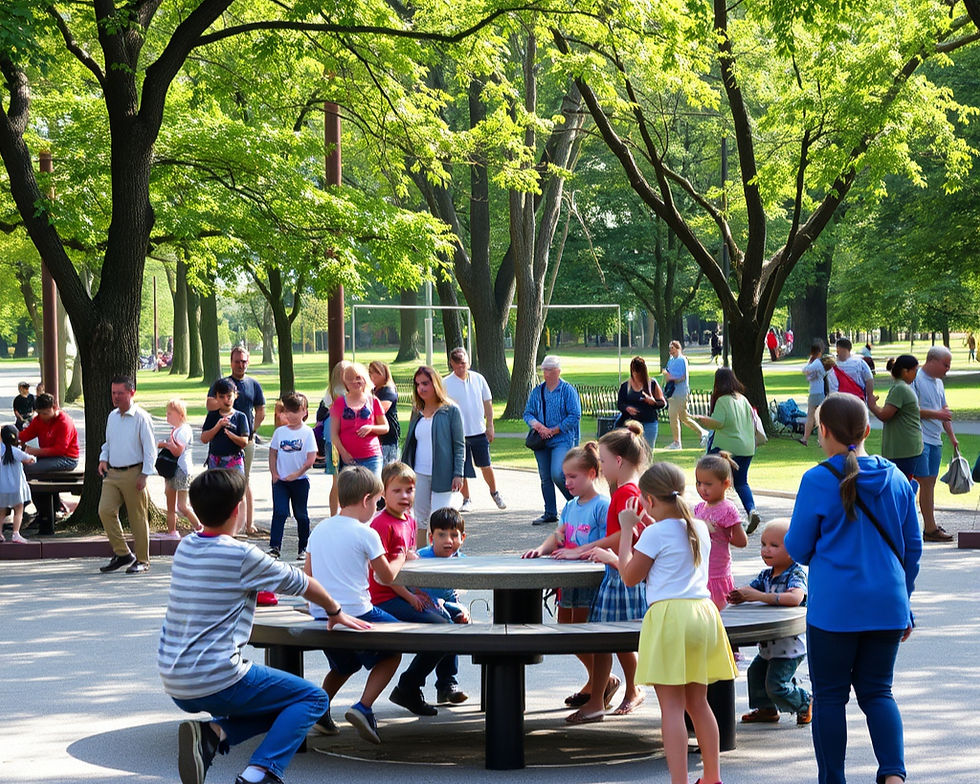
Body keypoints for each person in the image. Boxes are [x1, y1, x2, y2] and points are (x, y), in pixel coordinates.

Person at [158, 469, 367, 784]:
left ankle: (214, 736)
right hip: (217, 678)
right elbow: (305, 583)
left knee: (285, 704)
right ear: (238, 510)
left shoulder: (186, 547)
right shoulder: (243, 555)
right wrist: (334, 610)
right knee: (312, 700)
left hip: (174, 679)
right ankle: (261, 773)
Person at [785, 393, 921, 784]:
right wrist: (904, 599)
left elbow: (797, 547)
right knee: (879, 692)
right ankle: (893, 775)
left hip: (835, 608)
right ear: (866, 430)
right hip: (887, 604)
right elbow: (913, 548)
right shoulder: (896, 478)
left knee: (830, 696)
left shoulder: (817, 479)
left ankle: (833, 779)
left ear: (822, 431)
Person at [595, 461, 736, 784]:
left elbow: (630, 577)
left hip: (671, 617)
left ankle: (680, 781)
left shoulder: (654, 533)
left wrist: (628, 530)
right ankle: (712, 777)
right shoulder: (697, 525)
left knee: (672, 707)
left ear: (648, 499)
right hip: (702, 613)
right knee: (698, 703)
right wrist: (646, 522)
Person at [304, 466, 409, 742]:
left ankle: (319, 712)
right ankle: (363, 707)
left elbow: (307, 577)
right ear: (365, 500)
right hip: (358, 612)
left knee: (344, 665)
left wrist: (315, 607)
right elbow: (386, 577)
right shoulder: (366, 533)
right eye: (376, 502)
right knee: (397, 645)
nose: (376, 509)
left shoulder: (320, 529)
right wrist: (399, 556)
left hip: (322, 614)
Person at [570, 423, 649, 722]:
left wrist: (586, 548)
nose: (600, 467)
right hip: (623, 572)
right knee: (609, 640)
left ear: (618, 460)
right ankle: (605, 697)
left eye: (602, 461)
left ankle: (600, 700)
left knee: (603, 639)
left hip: (620, 576)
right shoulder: (631, 489)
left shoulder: (625, 493)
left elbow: (622, 535)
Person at [367, 463, 464, 707]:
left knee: (451, 620)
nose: (404, 496)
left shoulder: (409, 521)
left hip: (406, 593)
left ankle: (438, 684)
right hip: (384, 598)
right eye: (397, 491)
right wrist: (411, 598)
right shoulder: (381, 525)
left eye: (409, 490)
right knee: (443, 631)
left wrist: (420, 592)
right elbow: (384, 575)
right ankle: (408, 686)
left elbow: (408, 561)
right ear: (383, 493)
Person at [522, 442, 609, 711]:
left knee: (579, 634)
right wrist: (542, 549)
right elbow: (559, 535)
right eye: (565, 476)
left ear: (592, 473)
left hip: (589, 580)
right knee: (566, 632)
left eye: (573, 476)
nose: (566, 481)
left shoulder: (601, 505)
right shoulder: (570, 506)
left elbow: (608, 541)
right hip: (567, 580)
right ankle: (602, 680)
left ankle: (600, 683)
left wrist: (582, 553)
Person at [728, 519, 811, 726]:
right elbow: (751, 591)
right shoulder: (766, 575)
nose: (766, 550)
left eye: (774, 545)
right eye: (763, 544)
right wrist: (740, 595)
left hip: (789, 647)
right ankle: (767, 709)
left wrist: (758, 596)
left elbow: (795, 598)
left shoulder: (795, 573)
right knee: (755, 673)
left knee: (776, 685)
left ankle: (805, 701)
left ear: (793, 550)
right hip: (769, 645)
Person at [97, 376, 156, 575]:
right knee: (104, 510)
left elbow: (150, 449)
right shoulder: (112, 416)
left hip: (134, 472)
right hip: (112, 473)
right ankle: (123, 553)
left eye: (120, 393)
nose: (115, 397)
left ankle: (142, 560)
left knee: (137, 517)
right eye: (113, 393)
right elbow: (108, 443)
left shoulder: (141, 417)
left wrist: (145, 473)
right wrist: (103, 458)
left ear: (132, 392)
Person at [693, 367, 761, 533]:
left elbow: (719, 422)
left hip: (725, 448)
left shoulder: (723, 400)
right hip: (746, 447)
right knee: (741, 482)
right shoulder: (742, 399)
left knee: (711, 480)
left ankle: (716, 515)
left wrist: (704, 420)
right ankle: (752, 510)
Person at [207, 347, 266, 537]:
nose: (241, 365)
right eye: (237, 361)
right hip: (220, 441)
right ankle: (221, 524)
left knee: (244, 482)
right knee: (218, 484)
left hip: (245, 441)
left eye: (244, 361)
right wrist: (227, 400)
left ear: (248, 362)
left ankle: (249, 524)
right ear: (230, 362)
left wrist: (250, 432)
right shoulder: (222, 384)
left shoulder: (253, 385)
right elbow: (209, 404)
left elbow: (261, 411)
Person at [401, 366, 464, 533]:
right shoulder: (417, 411)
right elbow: (410, 444)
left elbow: (459, 445)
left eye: (425, 383)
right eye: (417, 384)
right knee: (419, 519)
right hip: (419, 474)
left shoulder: (451, 410)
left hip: (444, 475)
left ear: (435, 383)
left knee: (440, 519)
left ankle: (442, 556)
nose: (421, 388)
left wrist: (458, 473)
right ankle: (421, 556)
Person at [443, 347, 506, 511]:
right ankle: (467, 499)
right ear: (451, 364)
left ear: (468, 362)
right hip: (458, 434)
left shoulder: (479, 379)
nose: (461, 368)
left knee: (486, 464)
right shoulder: (446, 383)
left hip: (478, 430)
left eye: (463, 364)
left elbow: (487, 402)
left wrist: (490, 425)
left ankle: (495, 492)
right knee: (462, 467)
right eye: (457, 365)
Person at [523, 355, 582, 524]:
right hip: (541, 439)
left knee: (558, 473)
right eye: (544, 370)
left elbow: (575, 415)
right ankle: (550, 512)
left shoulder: (567, 390)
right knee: (545, 477)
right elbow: (528, 413)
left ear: (558, 371)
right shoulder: (538, 391)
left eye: (549, 370)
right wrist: (538, 426)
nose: (546, 374)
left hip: (562, 439)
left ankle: (576, 505)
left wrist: (554, 430)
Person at [911, 345, 957, 542]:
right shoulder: (916, 380)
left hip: (935, 440)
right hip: (921, 439)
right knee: (922, 483)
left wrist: (952, 437)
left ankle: (930, 526)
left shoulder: (938, 383)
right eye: (945, 365)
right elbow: (911, 409)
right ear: (932, 361)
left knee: (930, 484)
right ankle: (927, 528)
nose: (948, 369)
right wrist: (938, 414)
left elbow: (944, 411)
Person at [693, 451, 748, 610]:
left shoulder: (727, 509)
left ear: (725, 484)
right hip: (700, 572)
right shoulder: (699, 508)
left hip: (718, 574)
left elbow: (741, 541)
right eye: (698, 483)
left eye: (708, 484)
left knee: (718, 618)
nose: (702, 488)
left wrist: (718, 531)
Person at [18, 392, 79, 528]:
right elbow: (24, 435)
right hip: (48, 457)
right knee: (25, 466)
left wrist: (33, 452)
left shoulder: (64, 422)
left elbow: (60, 449)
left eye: (46, 413)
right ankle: (46, 510)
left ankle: (43, 512)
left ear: (55, 407)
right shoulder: (38, 420)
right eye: (40, 413)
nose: (43, 417)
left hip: (67, 458)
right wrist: (9, 439)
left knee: (29, 469)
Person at [268, 393, 317, 561]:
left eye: (296, 411)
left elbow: (310, 459)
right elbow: (273, 453)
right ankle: (274, 546)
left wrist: (296, 474)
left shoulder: (307, 432)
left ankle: (304, 547)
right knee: (280, 512)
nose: (292, 415)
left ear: (304, 412)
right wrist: (274, 473)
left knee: (301, 514)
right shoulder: (280, 432)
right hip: (280, 482)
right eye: (288, 411)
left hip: (299, 482)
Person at [867, 355, 922, 481]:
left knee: (898, 486)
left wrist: (872, 405)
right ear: (905, 371)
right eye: (915, 370)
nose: (916, 374)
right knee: (902, 485)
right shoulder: (901, 388)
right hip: (905, 449)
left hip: (903, 450)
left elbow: (884, 415)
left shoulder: (900, 389)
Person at [330, 362, 388, 476]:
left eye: (358, 378)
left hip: (372, 456)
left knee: (373, 490)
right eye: (350, 379)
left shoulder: (373, 401)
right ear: (345, 382)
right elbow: (334, 434)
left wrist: (371, 428)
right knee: (352, 492)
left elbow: (385, 427)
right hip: (349, 458)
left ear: (365, 379)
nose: (354, 382)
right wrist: (343, 453)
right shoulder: (339, 403)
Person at [157, 399, 201, 539]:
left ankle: (197, 526)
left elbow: (178, 451)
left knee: (180, 505)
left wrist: (165, 445)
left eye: (170, 414)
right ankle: (173, 531)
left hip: (180, 470)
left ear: (180, 415)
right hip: (174, 469)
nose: (167, 416)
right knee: (173, 504)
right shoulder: (176, 430)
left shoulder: (183, 431)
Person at [317, 360, 352, 516]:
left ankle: (334, 514)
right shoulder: (342, 391)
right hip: (339, 436)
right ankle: (340, 513)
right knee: (341, 480)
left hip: (332, 435)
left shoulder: (330, 390)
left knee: (337, 480)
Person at [662, 340, 707, 450]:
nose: (670, 351)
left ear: (677, 348)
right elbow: (668, 373)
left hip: (680, 393)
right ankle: (703, 433)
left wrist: (669, 378)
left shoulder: (682, 360)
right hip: (673, 393)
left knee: (673, 416)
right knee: (684, 417)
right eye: (669, 348)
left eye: (672, 348)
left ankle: (677, 443)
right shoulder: (671, 360)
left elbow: (681, 377)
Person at [616, 356, 666, 450]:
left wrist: (653, 402)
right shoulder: (625, 386)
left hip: (649, 422)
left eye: (638, 372)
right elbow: (620, 404)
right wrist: (627, 408)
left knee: (647, 450)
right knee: (630, 452)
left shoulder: (652, 384)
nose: (636, 375)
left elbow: (663, 403)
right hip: (630, 423)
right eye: (634, 371)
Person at [201, 380, 249, 474]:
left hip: (234, 460)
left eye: (229, 396)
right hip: (215, 460)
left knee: (235, 487)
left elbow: (244, 442)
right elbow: (204, 439)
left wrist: (231, 435)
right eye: (222, 397)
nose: (226, 400)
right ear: (216, 398)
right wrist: (218, 426)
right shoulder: (212, 416)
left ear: (235, 395)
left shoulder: (240, 417)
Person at [0, 424, 35, 543]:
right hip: (16, 488)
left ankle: (0, 534)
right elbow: (29, 459)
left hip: (2, 488)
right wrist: (33, 457)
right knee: (18, 509)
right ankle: (16, 533)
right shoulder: (16, 451)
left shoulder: (0, 450)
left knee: (2, 512)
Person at [369, 360, 401, 468]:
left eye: (377, 372)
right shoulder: (373, 391)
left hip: (388, 438)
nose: (373, 375)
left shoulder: (388, 390)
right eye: (370, 372)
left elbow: (381, 410)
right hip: (376, 437)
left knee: (387, 470)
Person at [826, 337, 875, 402]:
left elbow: (833, 389)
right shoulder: (860, 363)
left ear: (837, 349)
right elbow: (869, 379)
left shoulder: (833, 367)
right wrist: (869, 396)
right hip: (859, 400)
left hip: (841, 401)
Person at [800, 340, 828, 447]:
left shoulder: (816, 362)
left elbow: (806, 370)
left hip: (815, 392)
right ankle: (819, 440)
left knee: (812, 416)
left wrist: (807, 367)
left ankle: (806, 438)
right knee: (818, 417)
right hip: (818, 391)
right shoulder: (819, 362)